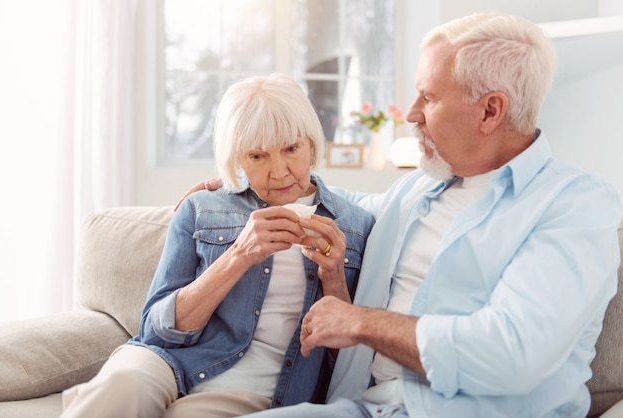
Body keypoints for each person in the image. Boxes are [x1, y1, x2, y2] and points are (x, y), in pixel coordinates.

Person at [180, 12, 622, 418]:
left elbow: (511, 356)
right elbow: (338, 205)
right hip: (364, 409)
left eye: (428, 97)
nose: (411, 114)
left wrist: (360, 322)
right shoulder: (418, 189)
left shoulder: (573, 207)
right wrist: (248, 183)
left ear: (490, 110)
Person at [60, 73, 374, 418]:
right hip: (165, 363)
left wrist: (333, 277)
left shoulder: (355, 225)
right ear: (237, 158)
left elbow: (351, 365)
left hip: (252, 391)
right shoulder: (201, 208)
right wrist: (239, 256)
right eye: (257, 156)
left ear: (311, 145)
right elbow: (153, 331)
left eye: (291, 149)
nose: (279, 172)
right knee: (122, 385)